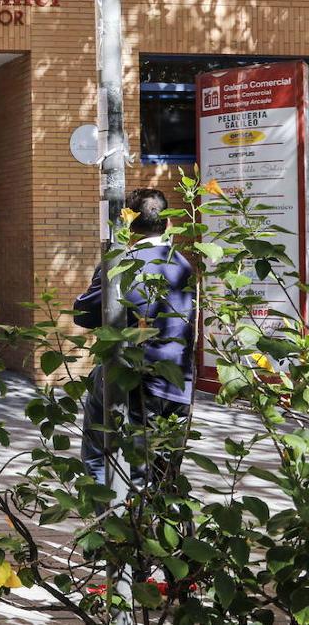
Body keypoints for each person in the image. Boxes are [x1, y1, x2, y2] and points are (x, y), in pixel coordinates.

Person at [74, 188, 195, 489]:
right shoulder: (183, 265)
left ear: (128, 225)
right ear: (167, 224)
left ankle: (109, 523)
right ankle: (160, 528)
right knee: (165, 473)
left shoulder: (122, 263)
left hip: (133, 380)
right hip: (179, 383)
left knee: (101, 453)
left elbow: (83, 314)